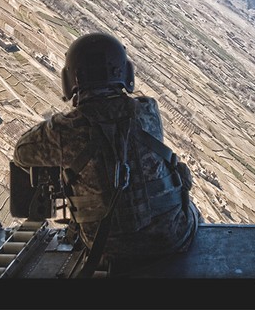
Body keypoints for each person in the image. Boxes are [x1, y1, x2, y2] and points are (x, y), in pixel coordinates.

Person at [12, 32, 201, 275]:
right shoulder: (148, 110)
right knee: (192, 210)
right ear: (125, 73)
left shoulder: (64, 130)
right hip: (171, 238)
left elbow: (21, 153)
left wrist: (56, 126)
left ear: (71, 80)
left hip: (107, 247)